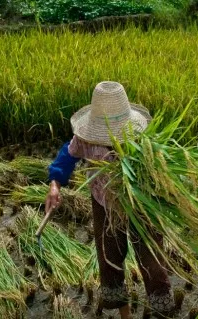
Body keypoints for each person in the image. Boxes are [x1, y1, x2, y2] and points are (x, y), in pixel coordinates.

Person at [45, 81, 175, 318]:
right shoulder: (86, 139)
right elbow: (67, 154)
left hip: (141, 207)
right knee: (109, 261)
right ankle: (124, 316)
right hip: (103, 205)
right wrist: (54, 184)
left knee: (153, 263)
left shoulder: (140, 139)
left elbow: (162, 171)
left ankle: (162, 313)